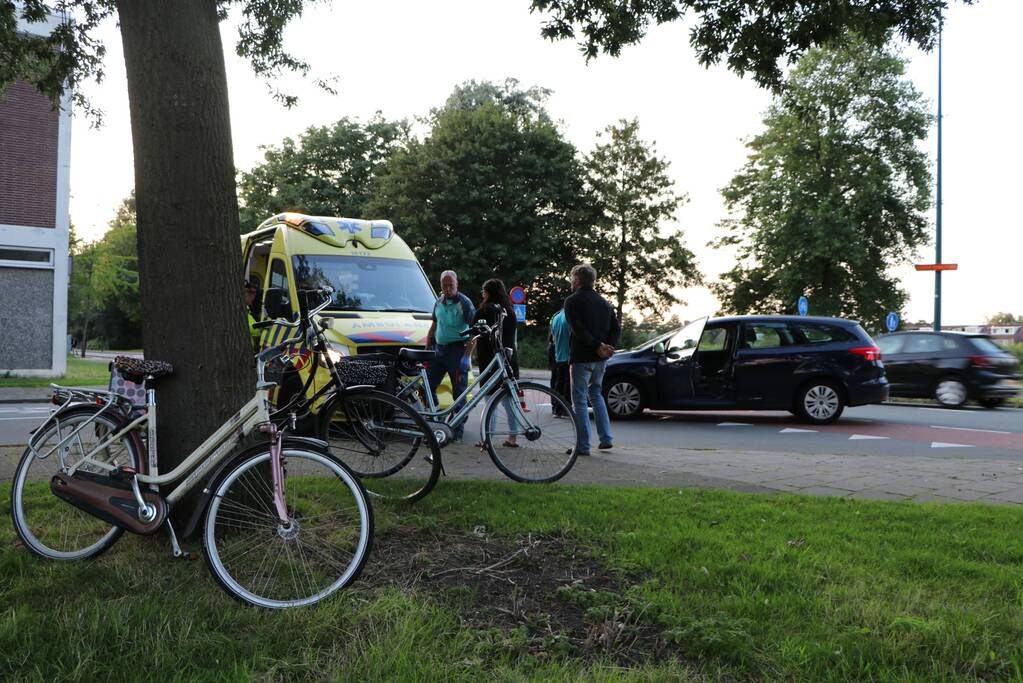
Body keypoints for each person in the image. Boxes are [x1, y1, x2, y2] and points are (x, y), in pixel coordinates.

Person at [563, 263, 620, 456]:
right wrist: (608, 347)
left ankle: (583, 445)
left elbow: (578, 330)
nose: (571, 282)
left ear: (577, 280)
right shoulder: (605, 302)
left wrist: (596, 345)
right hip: (601, 359)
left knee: (579, 400)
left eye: (572, 278)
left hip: (581, 357)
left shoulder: (572, 301)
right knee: (596, 394)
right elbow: (616, 328)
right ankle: (606, 439)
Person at [425, 270, 476, 441]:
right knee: (427, 386)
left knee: (458, 394)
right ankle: (437, 418)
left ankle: (457, 433)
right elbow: (433, 327)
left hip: (457, 351)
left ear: (457, 284)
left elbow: (474, 333)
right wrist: (427, 348)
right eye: (444, 286)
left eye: (451, 286)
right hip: (439, 350)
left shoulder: (465, 303)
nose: (447, 289)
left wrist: (467, 356)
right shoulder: (438, 302)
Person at [470, 278, 520, 446]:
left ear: (488, 293)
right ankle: (513, 437)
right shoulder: (510, 311)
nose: (482, 295)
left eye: (484, 292)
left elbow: (473, 332)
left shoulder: (483, 311)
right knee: (508, 400)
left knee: (490, 400)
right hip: (508, 359)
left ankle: (487, 438)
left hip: (489, 359)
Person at [548, 307, 572, 417]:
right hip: (567, 354)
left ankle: (556, 408)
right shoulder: (569, 317)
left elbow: (552, 336)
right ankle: (565, 409)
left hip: (556, 352)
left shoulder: (556, 317)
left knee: (557, 381)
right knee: (567, 383)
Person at [244, 279, 261, 351]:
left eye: (255, 293)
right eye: (251, 292)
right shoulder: (244, 310)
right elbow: (255, 330)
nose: (253, 296)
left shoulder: (250, 308)